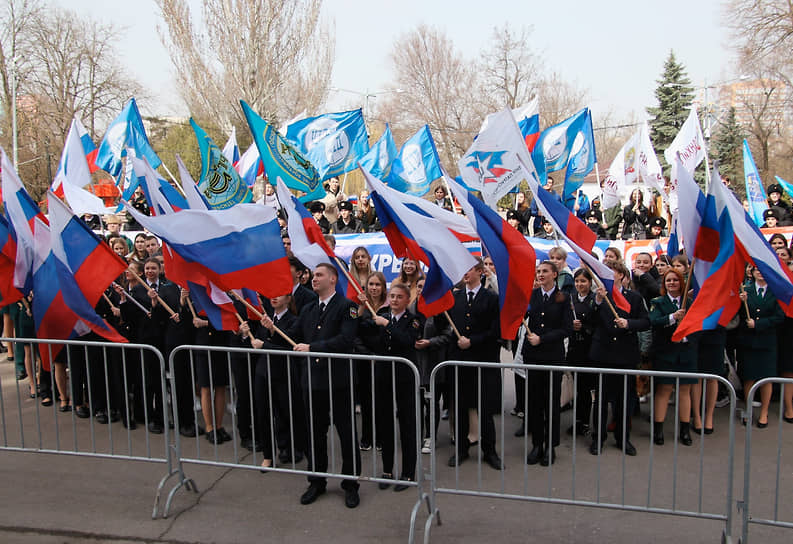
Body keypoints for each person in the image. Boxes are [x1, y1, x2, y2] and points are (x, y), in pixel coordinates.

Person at [263, 263, 361, 508]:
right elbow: (293, 338)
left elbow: (346, 339)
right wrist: (272, 330)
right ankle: (317, 481)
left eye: (319, 275)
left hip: (338, 381)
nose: (313, 278)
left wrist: (314, 348)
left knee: (346, 433)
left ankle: (350, 484)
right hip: (313, 382)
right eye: (313, 275)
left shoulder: (346, 307)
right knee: (314, 434)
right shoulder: (308, 309)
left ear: (333, 279)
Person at [360, 283, 421, 490]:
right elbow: (364, 332)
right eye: (392, 296)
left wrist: (387, 324)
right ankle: (387, 469)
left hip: (404, 377)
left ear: (407, 300)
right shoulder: (381, 314)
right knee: (385, 423)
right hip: (384, 375)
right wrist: (362, 308)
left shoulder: (412, 320)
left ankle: (408, 473)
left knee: (407, 424)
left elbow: (407, 340)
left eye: (399, 297)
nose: (394, 300)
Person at [446, 260, 503, 471]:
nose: (465, 274)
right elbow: (448, 325)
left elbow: (495, 331)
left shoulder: (491, 299)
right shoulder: (455, 297)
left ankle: (490, 451)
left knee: (484, 408)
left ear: (480, 272)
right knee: (460, 407)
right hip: (460, 361)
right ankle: (461, 449)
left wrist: (473, 341)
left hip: (483, 360)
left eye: (468, 269)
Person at [588, 260, 649, 457]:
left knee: (623, 401)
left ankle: (623, 438)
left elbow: (646, 322)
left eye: (610, 272)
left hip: (625, 356)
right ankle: (598, 437)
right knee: (601, 401)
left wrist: (629, 323)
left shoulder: (634, 297)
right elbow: (588, 321)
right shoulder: (599, 297)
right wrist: (597, 302)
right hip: (603, 355)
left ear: (621, 275)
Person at [520, 261, 573, 466]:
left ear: (554, 274)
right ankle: (537, 444)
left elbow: (567, 329)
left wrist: (543, 339)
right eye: (538, 271)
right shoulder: (532, 296)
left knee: (551, 403)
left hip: (552, 355)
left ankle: (551, 446)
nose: (540, 275)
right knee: (533, 402)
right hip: (532, 357)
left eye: (544, 271)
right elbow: (522, 316)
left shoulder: (563, 298)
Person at [648, 269, 699, 446]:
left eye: (675, 280)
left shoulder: (691, 303)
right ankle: (658, 430)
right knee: (664, 390)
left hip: (686, 352)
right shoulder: (658, 302)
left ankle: (685, 430)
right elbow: (653, 321)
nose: (672, 283)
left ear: (681, 283)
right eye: (668, 281)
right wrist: (671, 317)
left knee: (685, 391)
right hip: (666, 352)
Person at [738, 266, 784, 427]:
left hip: (767, 341)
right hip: (749, 341)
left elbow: (779, 316)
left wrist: (758, 324)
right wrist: (740, 302)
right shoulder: (746, 290)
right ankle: (748, 409)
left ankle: (764, 412)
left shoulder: (775, 291)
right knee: (749, 377)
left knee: (766, 378)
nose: (759, 272)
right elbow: (737, 315)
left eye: (762, 269)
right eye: (756, 269)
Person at [354, 271, 389, 452]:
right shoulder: (361, 307)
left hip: (383, 360)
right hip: (365, 361)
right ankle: (366, 436)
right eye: (371, 285)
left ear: (383, 287)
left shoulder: (389, 307)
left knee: (383, 401)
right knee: (367, 400)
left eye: (377, 285)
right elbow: (353, 330)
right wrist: (367, 355)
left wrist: (379, 355)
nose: (374, 288)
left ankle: (382, 437)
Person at [567, 268, 598, 437]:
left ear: (590, 282)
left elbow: (598, 323)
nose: (580, 284)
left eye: (583, 281)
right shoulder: (571, 299)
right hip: (573, 349)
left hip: (588, 350)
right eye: (577, 281)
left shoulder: (595, 300)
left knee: (586, 389)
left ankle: (584, 421)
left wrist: (584, 328)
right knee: (577, 388)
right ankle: (578, 420)